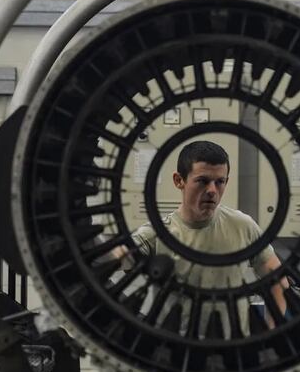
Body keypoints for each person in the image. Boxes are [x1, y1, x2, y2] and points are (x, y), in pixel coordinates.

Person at [116, 141, 288, 338]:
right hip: (176, 352)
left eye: (220, 182)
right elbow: (115, 258)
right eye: (203, 181)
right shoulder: (157, 233)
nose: (212, 190)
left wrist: (270, 333)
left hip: (233, 352)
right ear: (179, 180)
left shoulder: (243, 226)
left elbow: (278, 281)